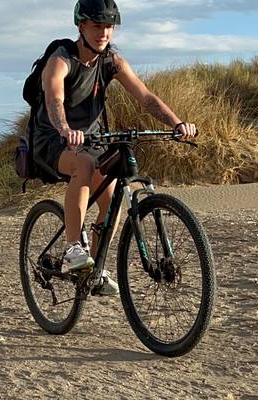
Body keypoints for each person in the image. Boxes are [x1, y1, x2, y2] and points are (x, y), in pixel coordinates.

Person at [33, 0, 197, 295]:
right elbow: (54, 100)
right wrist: (66, 129)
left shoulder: (112, 61)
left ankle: (93, 270)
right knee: (82, 166)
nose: (104, 33)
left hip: (93, 141)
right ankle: (73, 249)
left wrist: (177, 122)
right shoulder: (60, 60)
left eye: (109, 26)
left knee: (111, 205)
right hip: (53, 139)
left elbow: (145, 96)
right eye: (97, 26)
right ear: (81, 26)